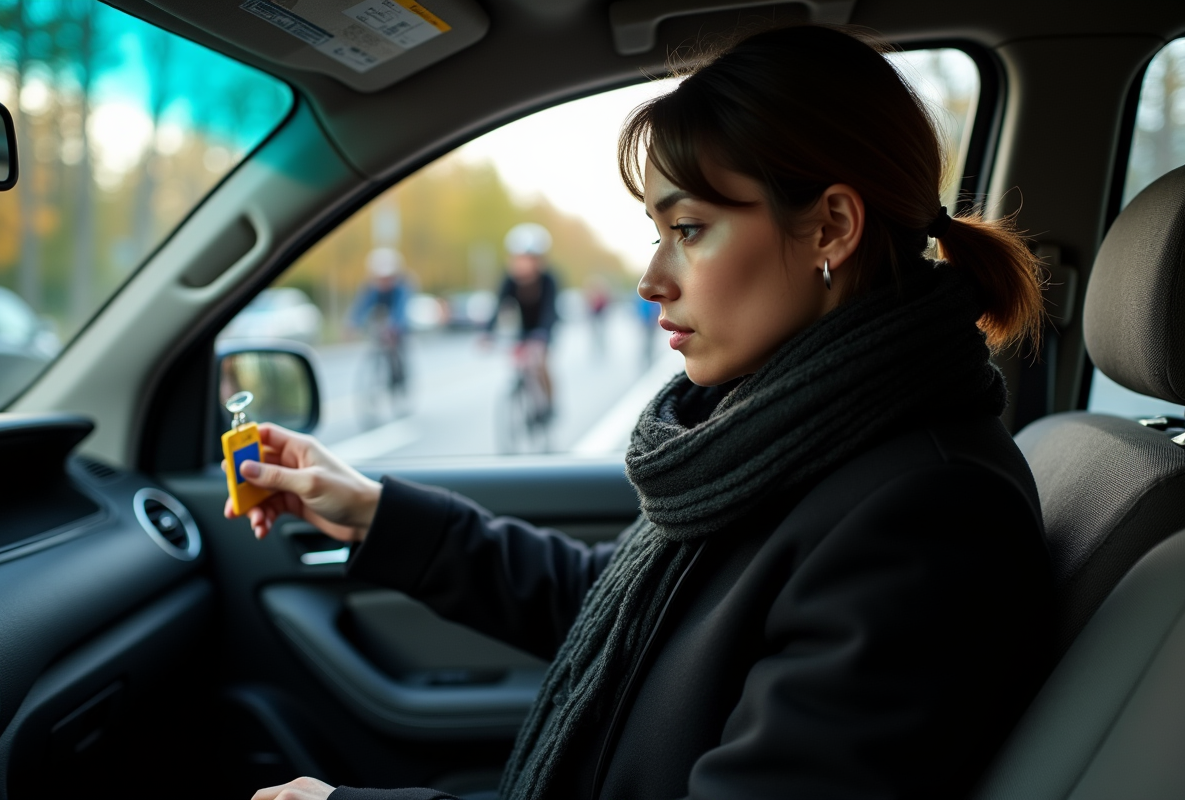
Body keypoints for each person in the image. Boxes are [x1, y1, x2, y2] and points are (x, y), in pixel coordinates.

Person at [233, 25, 1053, 800]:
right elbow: (629, 619)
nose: (651, 278)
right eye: (657, 231)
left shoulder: (928, 514)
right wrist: (377, 514)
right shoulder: (779, 435)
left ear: (831, 228)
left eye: (689, 229)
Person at [484, 223, 558, 413]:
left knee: (540, 362)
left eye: (527, 258)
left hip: (545, 326)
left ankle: (549, 404)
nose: (521, 263)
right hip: (523, 328)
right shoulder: (509, 281)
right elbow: (497, 307)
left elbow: (549, 311)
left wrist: (542, 336)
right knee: (519, 360)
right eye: (518, 258)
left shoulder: (548, 281)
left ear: (538, 261)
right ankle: (523, 392)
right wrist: (487, 333)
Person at [347, 248, 411, 410]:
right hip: (380, 321)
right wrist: (352, 324)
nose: (384, 282)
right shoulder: (371, 288)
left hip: (397, 323)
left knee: (398, 349)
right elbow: (361, 307)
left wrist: (395, 328)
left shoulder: (401, 289)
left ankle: (400, 381)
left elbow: (400, 310)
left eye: (387, 278)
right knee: (377, 338)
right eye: (380, 278)